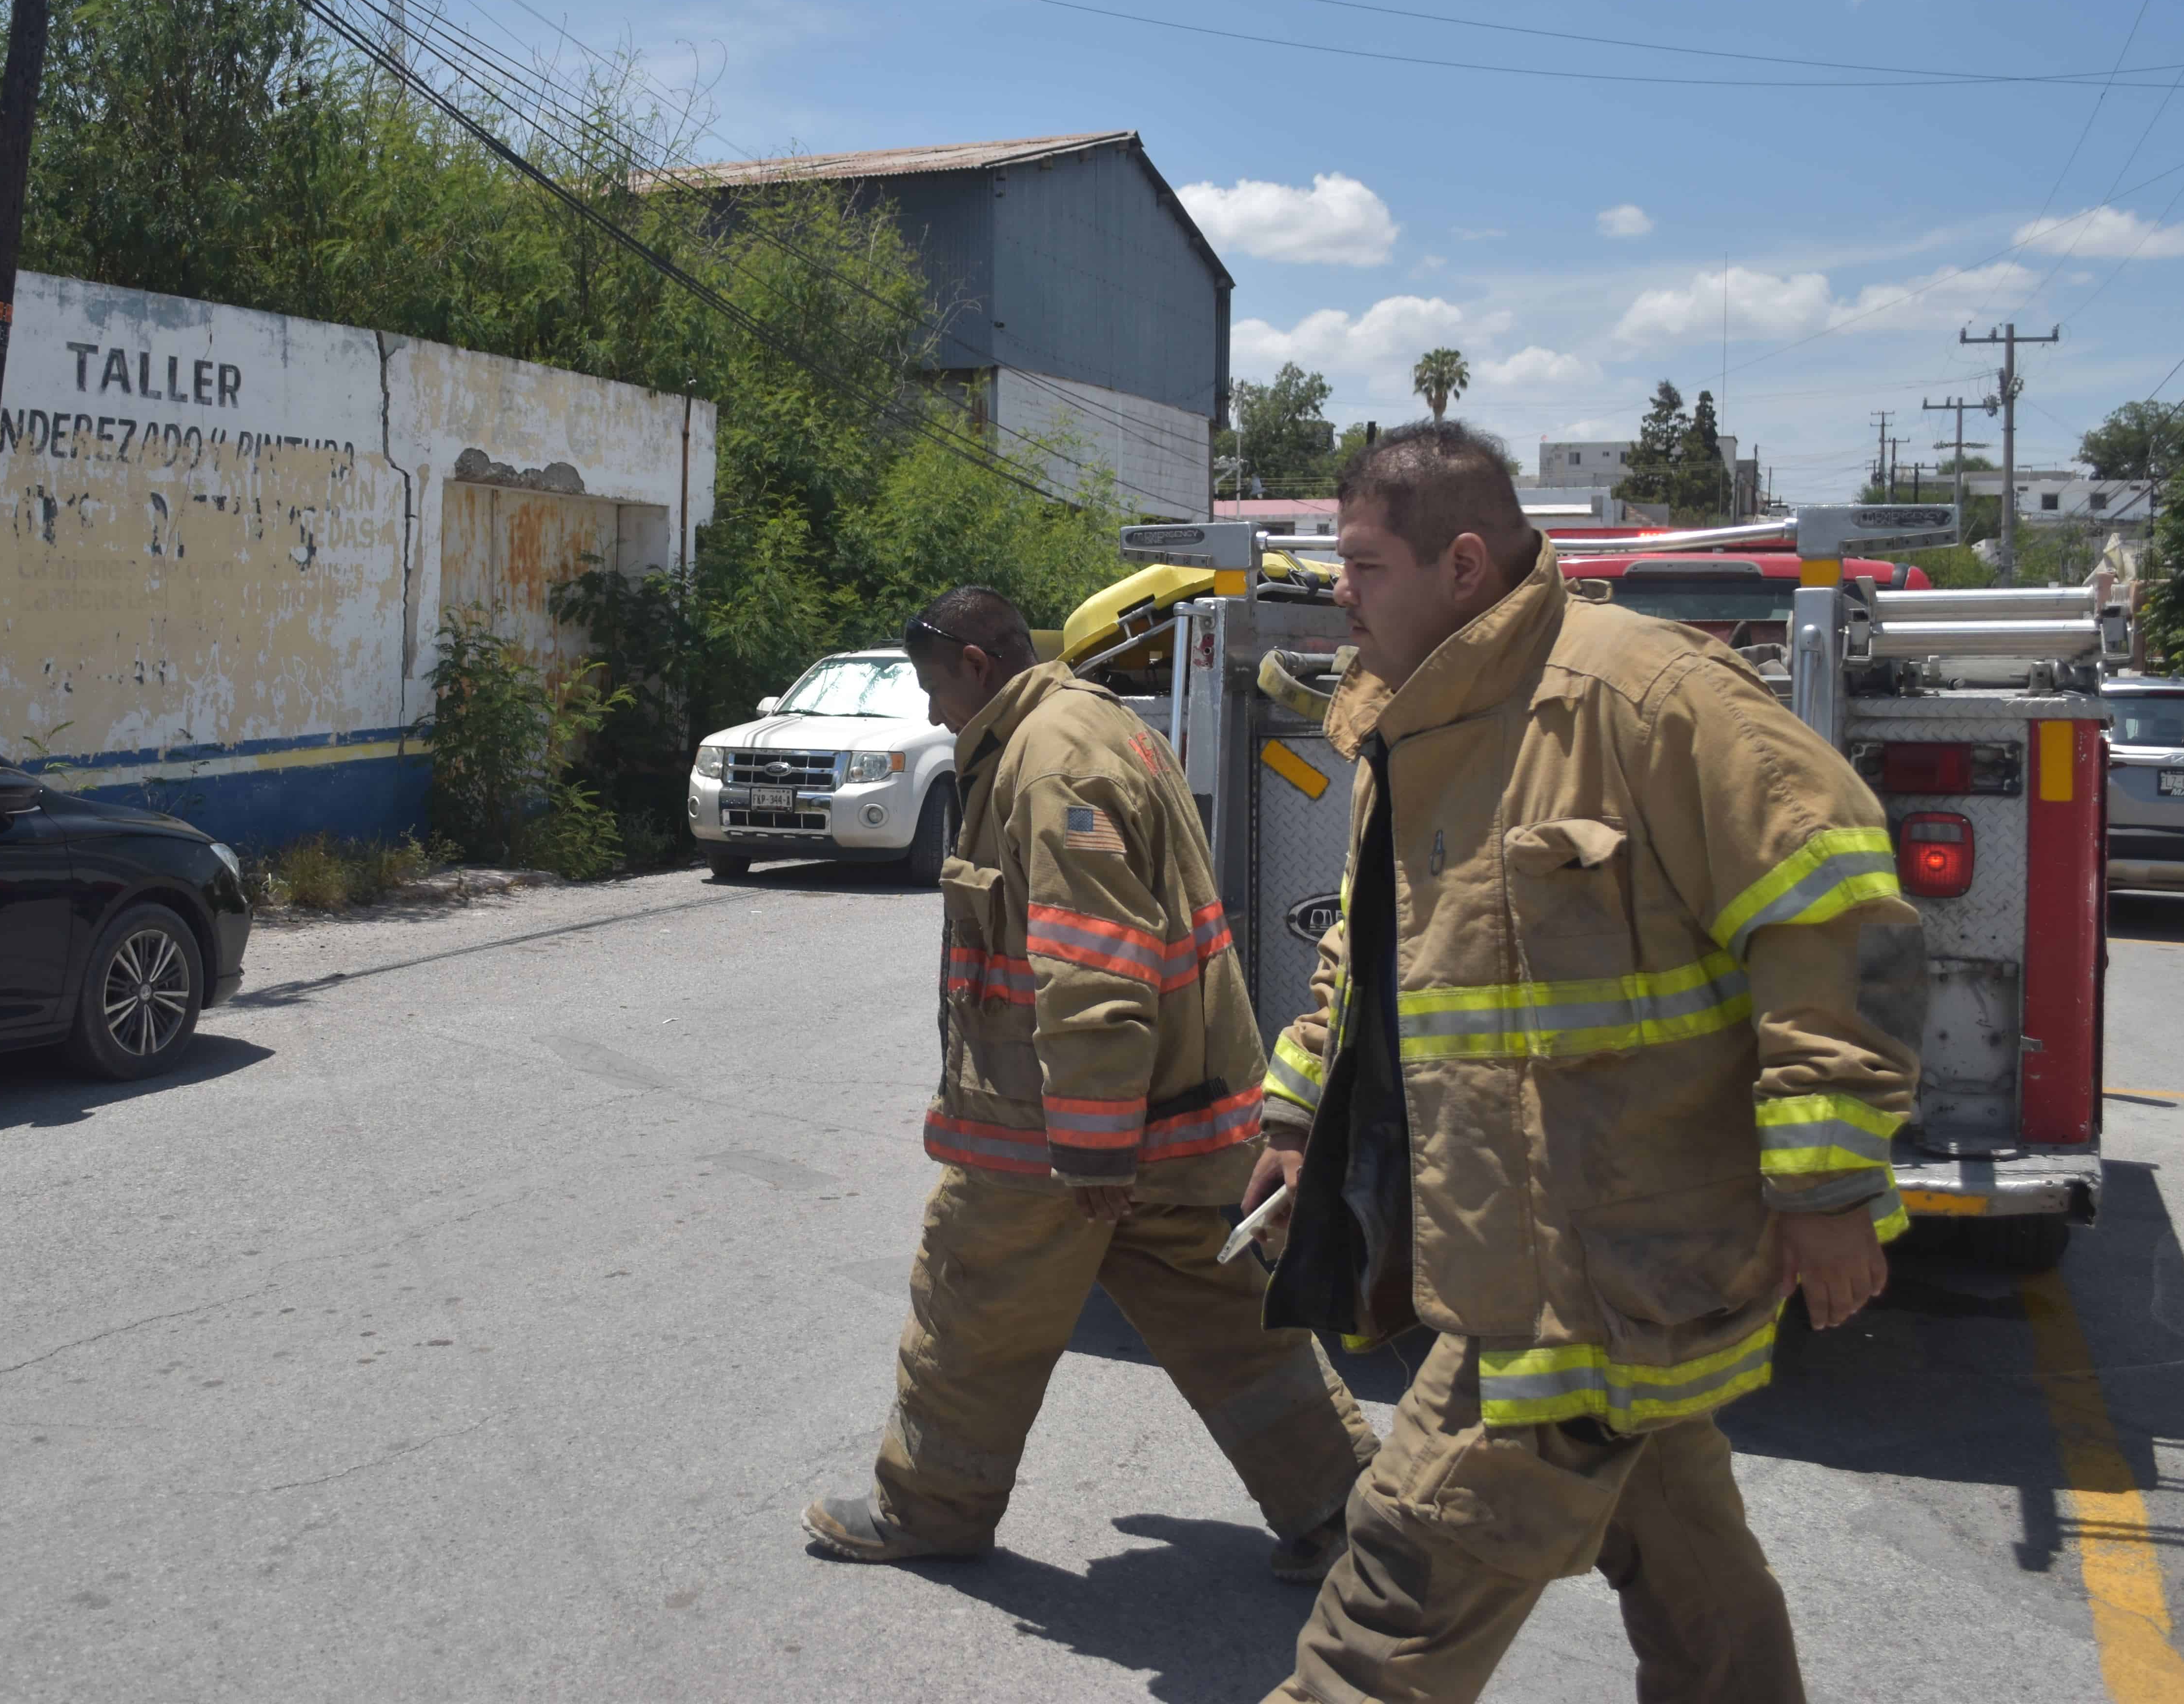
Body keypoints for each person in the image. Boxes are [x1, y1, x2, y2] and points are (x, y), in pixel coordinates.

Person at [1248, 422, 1920, 1704]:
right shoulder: (1413, 729)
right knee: (1685, 1561)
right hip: (1520, 1245)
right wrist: (1294, 1115)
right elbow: (1371, 954)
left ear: (1459, 565)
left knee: (1402, 1574)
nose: (1337, 592)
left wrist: (1827, 1188)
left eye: (1360, 565)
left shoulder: (1643, 698)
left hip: (1589, 1272)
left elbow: (1836, 916)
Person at [802, 585, 1377, 1578]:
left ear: (979, 665)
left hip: (1061, 1146)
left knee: (971, 1311)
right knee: (1237, 1331)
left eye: (939, 689)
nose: (937, 713)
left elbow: (1096, 960)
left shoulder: (1052, 765)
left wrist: (1095, 1146)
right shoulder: (1083, 727)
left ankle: (930, 1507)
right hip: (1169, 1122)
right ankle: (1348, 1518)